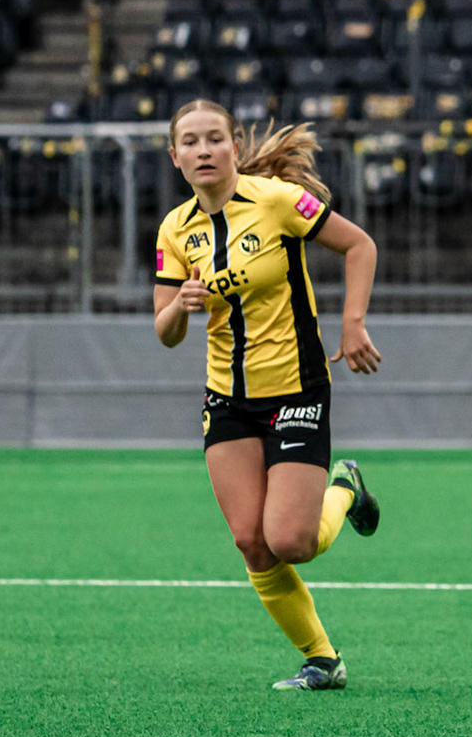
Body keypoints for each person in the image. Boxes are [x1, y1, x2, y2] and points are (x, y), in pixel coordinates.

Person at [152, 99, 384, 691]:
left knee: (291, 541)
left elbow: (359, 245)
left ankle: (344, 487)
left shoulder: (279, 201)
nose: (204, 150)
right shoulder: (175, 230)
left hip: (296, 388)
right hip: (227, 398)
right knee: (252, 542)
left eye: (215, 138)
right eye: (190, 142)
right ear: (175, 156)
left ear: (234, 146)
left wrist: (352, 323)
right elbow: (166, 333)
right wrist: (180, 306)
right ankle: (323, 660)